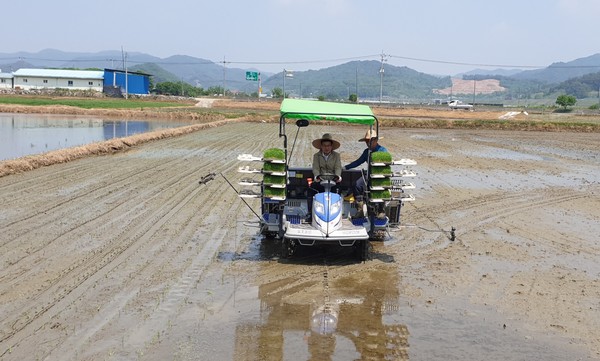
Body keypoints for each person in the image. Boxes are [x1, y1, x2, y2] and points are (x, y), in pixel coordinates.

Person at [344, 129, 388, 218]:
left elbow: (386, 166)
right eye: (367, 141)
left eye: (370, 141)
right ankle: (360, 210)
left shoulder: (383, 151)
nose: (368, 143)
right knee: (357, 185)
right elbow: (358, 162)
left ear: (376, 140)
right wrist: (345, 167)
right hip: (369, 175)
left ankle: (381, 210)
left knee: (379, 188)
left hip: (380, 176)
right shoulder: (366, 152)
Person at [307, 133, 342, 217]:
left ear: (331, 146)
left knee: (338, 190)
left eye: (328, 146)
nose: (326, 148)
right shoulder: (316, 156)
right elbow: (315, 168)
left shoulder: (336, 156)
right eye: (324, 146)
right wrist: (316, 176)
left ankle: (337, 213)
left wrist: (338, 176)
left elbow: (338, 167)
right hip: (320, 180)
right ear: (321, 146)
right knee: (310, 190)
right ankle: (310, 213)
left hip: (333, 181)